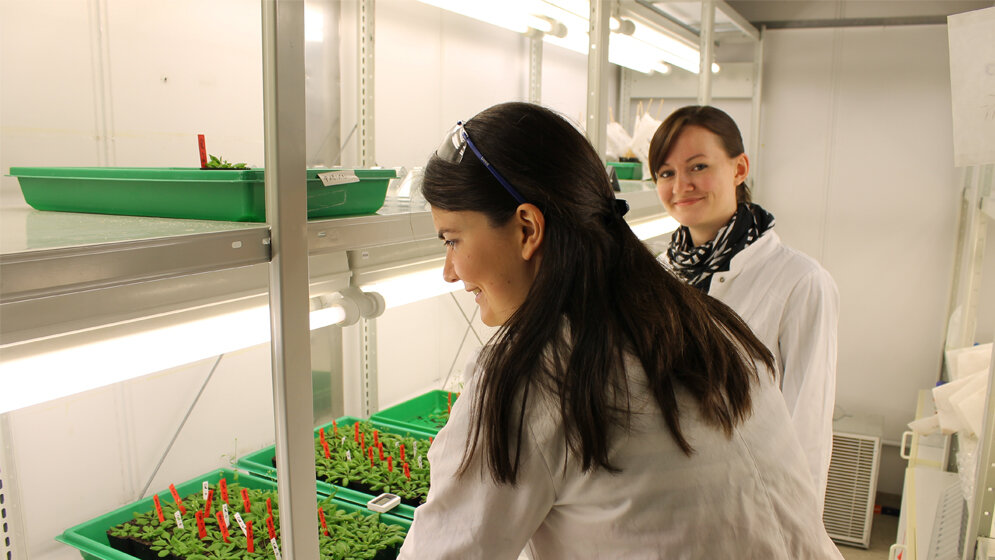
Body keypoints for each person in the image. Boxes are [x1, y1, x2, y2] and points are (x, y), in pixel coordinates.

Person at [397, 102, 842, 559]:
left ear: (528, 228)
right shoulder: (705, 318)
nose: (450, 272)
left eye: (452, 240)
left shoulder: (531, 376)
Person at [648, 105, 840, 513]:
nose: (681, 184)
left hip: (749, 507)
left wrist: (800, 533)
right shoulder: (656, 277)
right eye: (666, 173)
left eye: (698, 166)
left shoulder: (800, 281)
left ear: (739, 169)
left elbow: (808, 426)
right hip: (662, 502)